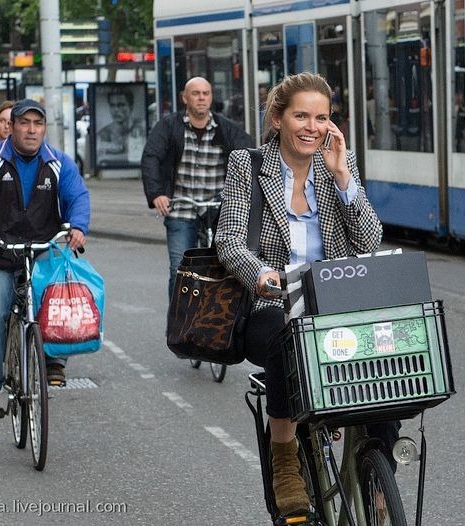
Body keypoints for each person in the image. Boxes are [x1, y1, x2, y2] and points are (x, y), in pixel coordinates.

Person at [215, 72, 398, 519]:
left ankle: (380, 474)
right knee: (283, 338)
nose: (312, 127)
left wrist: (342, 179)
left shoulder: (339, 162)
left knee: (382, 354)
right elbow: (229, 239)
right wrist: (260, 274)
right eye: (301, 115)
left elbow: (370, 240)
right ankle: (284, 457)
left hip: (335, 299)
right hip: (273, 302)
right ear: (278, 118)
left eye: (322, 117)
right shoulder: (249, 164)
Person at [0, 99, 90, 418]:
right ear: (12, 127)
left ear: (44, 129)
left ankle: (55, 362)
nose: (32, 130)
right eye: (24, 123)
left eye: (38, 124)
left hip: (44, 249)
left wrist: (78, 226)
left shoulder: (59, 162)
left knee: (60, 304)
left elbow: (78, 196)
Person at [140, 76, 253, 305]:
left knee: (228, 266)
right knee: (180, 269)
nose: (201, 98)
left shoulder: (226, 128)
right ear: (185, 98)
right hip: (182, 209)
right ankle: (178, 323)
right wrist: (157, 194)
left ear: (211, 97)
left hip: (218, 209)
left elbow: (250, 156)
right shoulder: (169, 127)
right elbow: (151, 157)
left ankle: (223, 320)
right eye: (196, 93)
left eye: (206, 93)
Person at [96, 87, 146, 164]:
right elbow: (99, 159)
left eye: (121, 105)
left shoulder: (141, 127)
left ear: (131, 107)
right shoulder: (104, 133)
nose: (115, 110)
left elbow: (140, 156)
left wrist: (106, 158)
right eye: (112, 105)